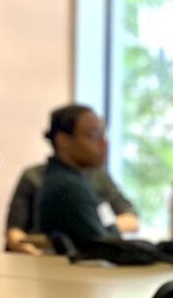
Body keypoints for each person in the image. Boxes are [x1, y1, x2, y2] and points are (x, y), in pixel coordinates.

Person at [35, 105, 135, 251]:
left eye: (103, 135)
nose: (103, 144)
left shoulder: (79, 179)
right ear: (63, 140)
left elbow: (129, 217)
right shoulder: (68, 187)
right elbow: (103, 249)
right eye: (93, 135)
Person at [5, 160, 138, 255]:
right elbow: (14, 230)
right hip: (42, 257)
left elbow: (131, 220)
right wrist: (25, 247)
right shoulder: (33, 176)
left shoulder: (98, 176)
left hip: (91, 257)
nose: (102, 144)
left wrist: (94, 229)